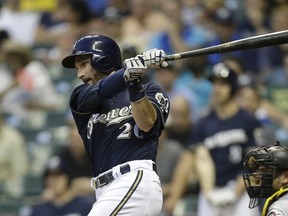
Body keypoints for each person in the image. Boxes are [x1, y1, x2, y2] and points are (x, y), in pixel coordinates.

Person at [61, 34, 170, 215]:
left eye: (83, 64)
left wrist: (133, 83)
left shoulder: (151, 90)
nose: (79, 74)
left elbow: (147, 124)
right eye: (77, 67)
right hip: (104, 190)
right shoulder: (81, 97)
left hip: (134, 180)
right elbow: (103, 89)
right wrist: (128, 72)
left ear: (102, 60)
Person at [165, 63, 265, 216]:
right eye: (214, 84)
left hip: (241, 190)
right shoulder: (203, 123)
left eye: (223, 84)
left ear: (233, 87)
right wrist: (176, 197)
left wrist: (234, 192)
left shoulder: (248, 120)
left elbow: (256, 162)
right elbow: (189, 158)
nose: (217, 88)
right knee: (200, 151)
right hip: (210, 190)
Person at [20, 155, 94, 216]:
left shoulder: (84, 206)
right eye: (48, 177)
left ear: (67, 178)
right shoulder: (39, 209)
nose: (52, 181)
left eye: (57, 176)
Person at [243, 142, 288, 216]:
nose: (259, 177)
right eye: (259, 170)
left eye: (266, 171)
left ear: (285, 177)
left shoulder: (280, 208)